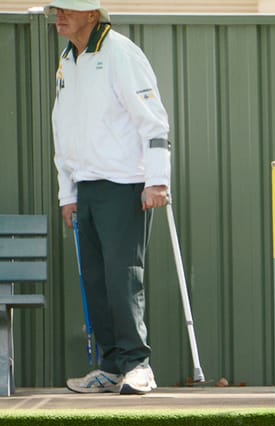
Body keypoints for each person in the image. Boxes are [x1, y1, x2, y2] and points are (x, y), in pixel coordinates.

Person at [49, 0, 171, 395]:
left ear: (91, 14)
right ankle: (112, 367)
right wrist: (67, 192)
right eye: (56, 9)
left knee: (123, 278)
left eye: (67, 10)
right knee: (96, 280)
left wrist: (157, 180)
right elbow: (61, 127)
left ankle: (138, 366)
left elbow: (153, 120)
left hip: (124, 184)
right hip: (86, 187)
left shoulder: (120, 52)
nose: (59, 16)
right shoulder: (68, 60)